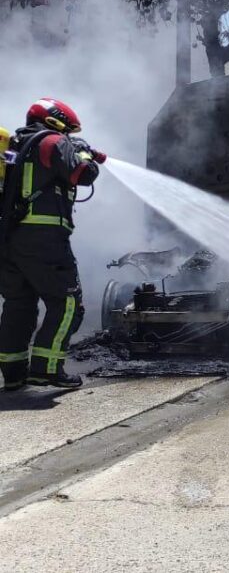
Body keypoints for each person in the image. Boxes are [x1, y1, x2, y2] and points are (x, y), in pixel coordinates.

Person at [0, 99, 105, 391]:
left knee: (18, 304)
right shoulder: (52, 141)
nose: (69, 138)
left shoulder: (16, 147)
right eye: (68, 132)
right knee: (68, 302)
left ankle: (13, 373)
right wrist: (83, 151)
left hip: (9, 241)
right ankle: (46, 370)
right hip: (43, 240)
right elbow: (83, 174)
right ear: (56, 121)